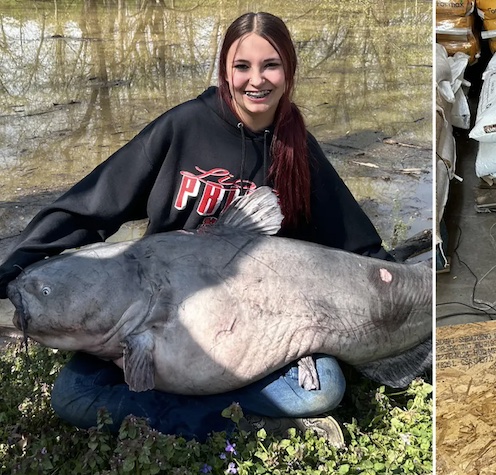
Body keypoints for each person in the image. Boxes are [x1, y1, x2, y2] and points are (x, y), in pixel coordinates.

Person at [0, 12, 392, 444]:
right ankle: (245, 420)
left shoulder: (299, 149)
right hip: (154, 319)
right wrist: (14, 266)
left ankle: (192, 415)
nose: (256, 80)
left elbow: (356, 242)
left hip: (254, 332)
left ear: (289, 72)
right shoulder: (183, 126)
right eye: (242, 66)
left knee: (324, 389)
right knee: (71, 397)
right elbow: (92, 205)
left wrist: (403, 287)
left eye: (271, 65)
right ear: (225, 69)